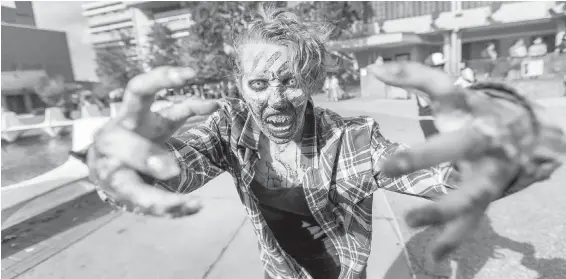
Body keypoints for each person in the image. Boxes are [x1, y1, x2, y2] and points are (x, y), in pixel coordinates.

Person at [78, 6, 566, 279]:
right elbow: (172, 170)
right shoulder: (227, 130)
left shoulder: (353, 139)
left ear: (311, 82)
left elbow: (438, 178)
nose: (276, 100)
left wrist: (499, 155)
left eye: (290, 81)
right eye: (259, 83)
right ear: (240, 84)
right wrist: (115, 163)